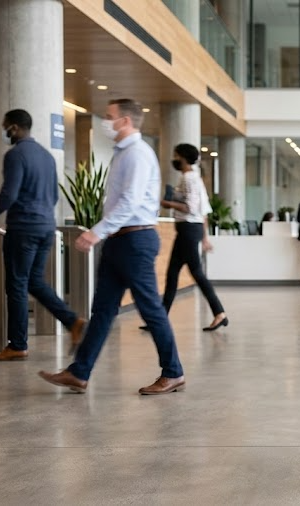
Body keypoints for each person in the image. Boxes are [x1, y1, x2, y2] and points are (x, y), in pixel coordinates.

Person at [39, 98, 185, 395]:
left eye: (110, 116)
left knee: (150, 308)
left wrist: (97, 231)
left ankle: (174, 372)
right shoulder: (123, 154)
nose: (106, 121)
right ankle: (79, 372)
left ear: (126, 121)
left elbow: (130, 201)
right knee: (103, 309)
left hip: (135, 240)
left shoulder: (137, 154)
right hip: (120, 241)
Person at [0, 110, 86, 361]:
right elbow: (55, 195)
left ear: (13, 128)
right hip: (46, 227)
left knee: (17, 285)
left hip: (23, 228)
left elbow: (8, 195)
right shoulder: (46, 156)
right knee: (34, 281)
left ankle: (17, 345)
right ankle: (72, 321)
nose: (5, 132)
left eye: (5, 127)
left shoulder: (15, 155)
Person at [140, 143, 228, 332]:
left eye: (176, 155)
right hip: (190, 230)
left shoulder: (189, 179)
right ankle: (159, 320)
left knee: (196, 273)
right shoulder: (193, 179)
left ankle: (219, 313)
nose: (174, 159)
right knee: (173, 274)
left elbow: (190, 208)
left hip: (188, 230)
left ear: (183, 158)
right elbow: (204, 211)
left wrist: (165, 203)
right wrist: (204, 237)